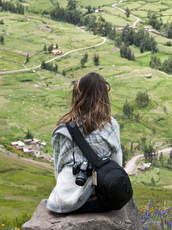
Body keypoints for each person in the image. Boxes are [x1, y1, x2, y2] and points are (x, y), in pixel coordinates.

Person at [47, 72, 122, 213]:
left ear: (76, 96)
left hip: (63, 203)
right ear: (103, 97)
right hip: (97, 202)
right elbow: (117, 166)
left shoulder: (61, 129)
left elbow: (58, 168)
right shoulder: (110, 126)